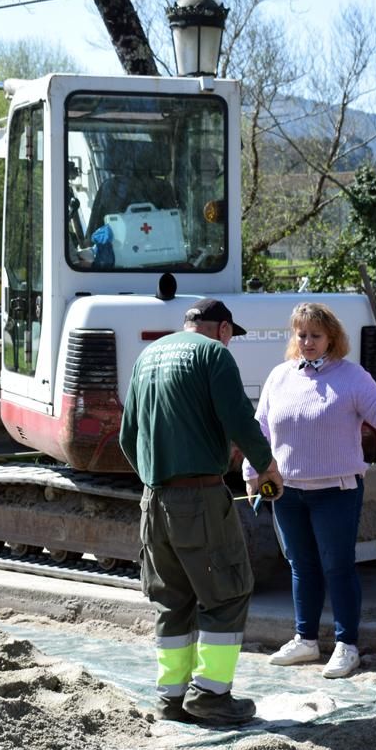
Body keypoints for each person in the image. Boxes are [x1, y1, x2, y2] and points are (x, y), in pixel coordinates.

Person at [119, 297, 284, 726]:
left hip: (153, 499)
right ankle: (211, 694)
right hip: (199, 498)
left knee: (172, 600)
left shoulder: (148, 355)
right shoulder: (214, 355)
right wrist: (266, 466)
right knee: (227, 592)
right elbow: (240, 421)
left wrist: (157, 481)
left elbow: (127, 436)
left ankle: (171, 698)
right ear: (224, 329)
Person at [243, 303, 376, 678]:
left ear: (332, 338)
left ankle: (347, 644)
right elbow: (259, 428)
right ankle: (305, 639)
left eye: (315, 335)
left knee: (338, 566)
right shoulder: (280, 376)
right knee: (300, 565)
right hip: (287, 491)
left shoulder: (351, 376)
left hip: (337, 490)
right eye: (301, 335)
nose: (308, 342)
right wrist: (252, 471)